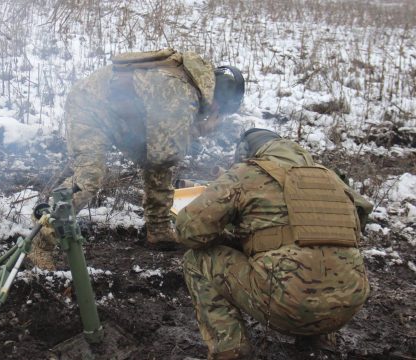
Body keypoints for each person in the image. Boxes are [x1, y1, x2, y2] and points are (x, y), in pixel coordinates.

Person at [28, 49, 245, 269]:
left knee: (158, 166)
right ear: (218, 101)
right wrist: (199, 129)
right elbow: (165, 153)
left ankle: (158, 229)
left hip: (123, 118)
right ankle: (40, 241)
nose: (214, 114)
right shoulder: (180, 93)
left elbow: (160, 152)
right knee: (90, 176)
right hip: (89, 108)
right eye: (220, 111)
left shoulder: (193, 82)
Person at [175, 128, 372, 359]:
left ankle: (230, 350)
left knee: (196, 260)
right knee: (324, 253)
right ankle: (318, 343)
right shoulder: (331, 177)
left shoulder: (246, 173)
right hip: (347, 305)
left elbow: (189, 231)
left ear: (247, 153)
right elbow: (362, 213)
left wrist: (237, 234)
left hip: (285, 305)